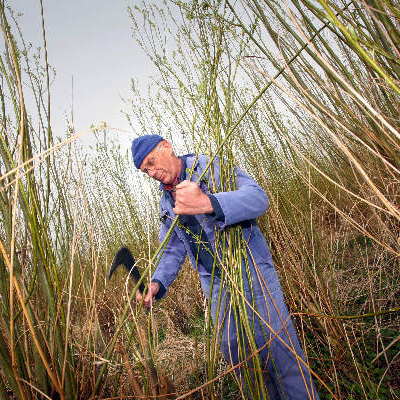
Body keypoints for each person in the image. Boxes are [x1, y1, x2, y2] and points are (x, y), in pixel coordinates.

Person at [131, 134, 320, 400]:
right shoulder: (166, 202)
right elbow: (172, 250)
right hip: (216, 285)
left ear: (167, 147)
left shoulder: (208, 167)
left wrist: (208, 203)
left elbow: (257, 198)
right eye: (145, 170)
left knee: (280, 351)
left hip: (250, 271)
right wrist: (156, 283)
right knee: (239, 357)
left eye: (151, 162)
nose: (151, 172)